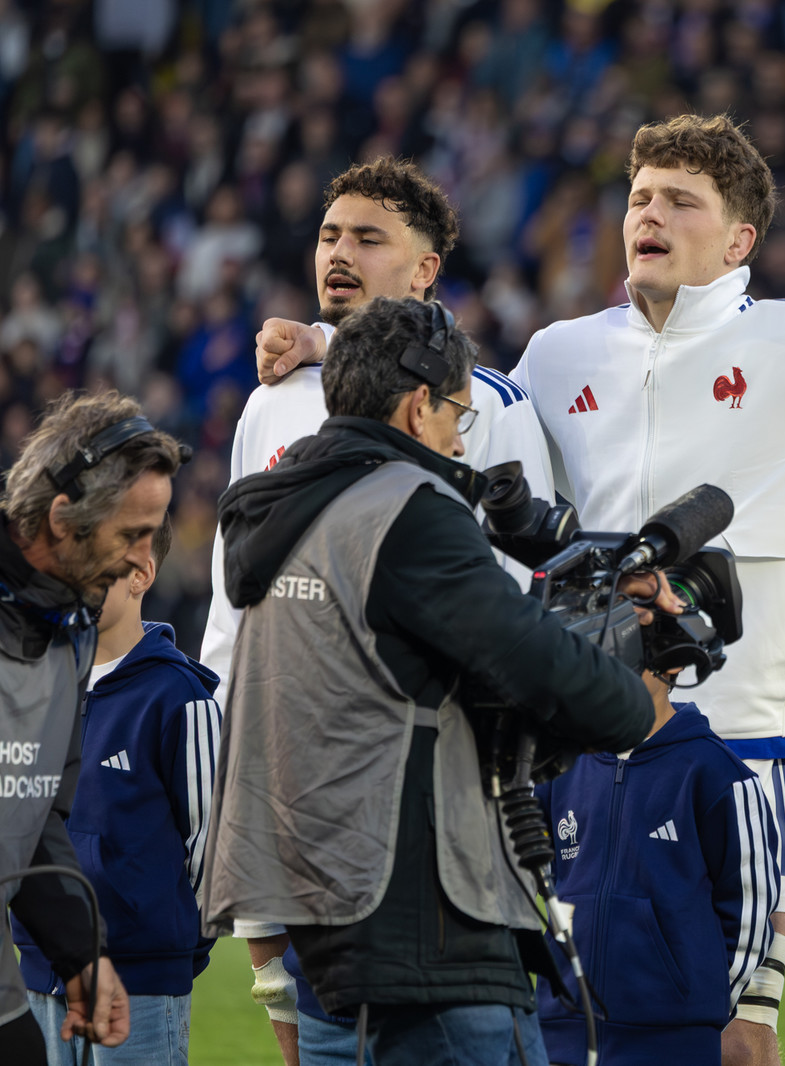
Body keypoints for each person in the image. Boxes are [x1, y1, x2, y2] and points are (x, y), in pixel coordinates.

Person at [258, 115, 785, 1060]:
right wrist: (327, 344)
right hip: (592, 740)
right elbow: (459, 406)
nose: (648, 214)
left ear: (740, 240)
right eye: (639, 197)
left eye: (680, 201)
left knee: (734, 1041)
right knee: (578, 1029)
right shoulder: (560, 354)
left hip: (751, 744)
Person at [200, 297, 654, 1066]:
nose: (458, 439)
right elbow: (532, 660)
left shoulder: (276, 512)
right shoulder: (404, 508)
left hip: (324, 919)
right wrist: (635, 683)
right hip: (425, 919)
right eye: (456, 416)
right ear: (418, 408)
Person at [205, 156, 553, 1066]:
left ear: (427, 268)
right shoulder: (270, 400)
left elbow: (521, 594)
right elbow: (230, 607)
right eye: (329, 236)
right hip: (292, 778)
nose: (340, 254)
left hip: (435, 784)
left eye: (369, 237)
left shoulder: (495, 408)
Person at [1, 391, 186, 1062]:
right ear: (61, 519)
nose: (143, 560)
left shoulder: (70, 627)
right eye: (131, 533)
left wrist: (82, 952)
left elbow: (35, 812)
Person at [15, 515, 218, 1066]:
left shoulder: (181, 697)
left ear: (142, 574)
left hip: (142, 983)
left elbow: (210, 848)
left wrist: (163, 946)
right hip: (39, 972)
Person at [535, 667, 781, 1064]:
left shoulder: (720, 775)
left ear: (673, 664)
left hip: (674, 1042)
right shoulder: (556, 770)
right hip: (561, 1035)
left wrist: (697, 1002)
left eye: (639, 646)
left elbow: (750, 913)